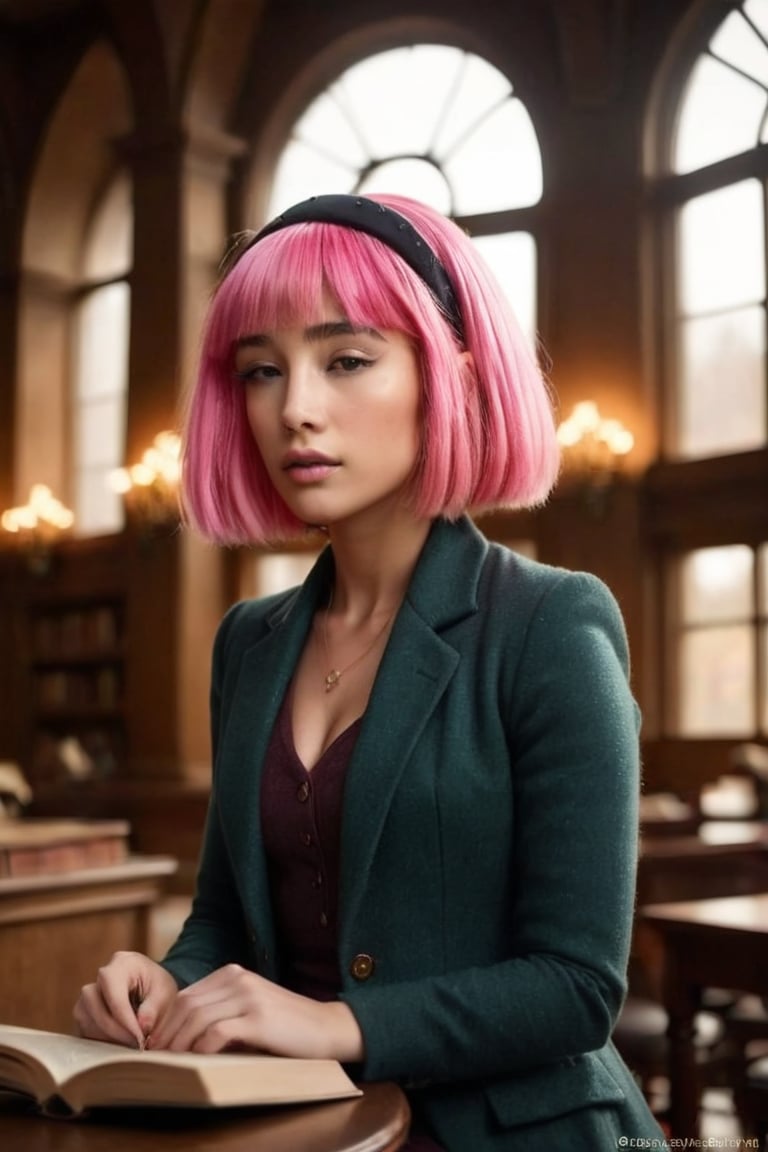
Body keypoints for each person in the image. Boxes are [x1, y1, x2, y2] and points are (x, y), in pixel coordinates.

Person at [74, 192, 666, 1150]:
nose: (295, 408)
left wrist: (337, 1024)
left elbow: (577, 987)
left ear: (451, 378)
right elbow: (225, 919)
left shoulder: (551, 622)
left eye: (347, 359)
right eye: (260, 370)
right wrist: (169, 979)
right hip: (304, 1128)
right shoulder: (248, 640)